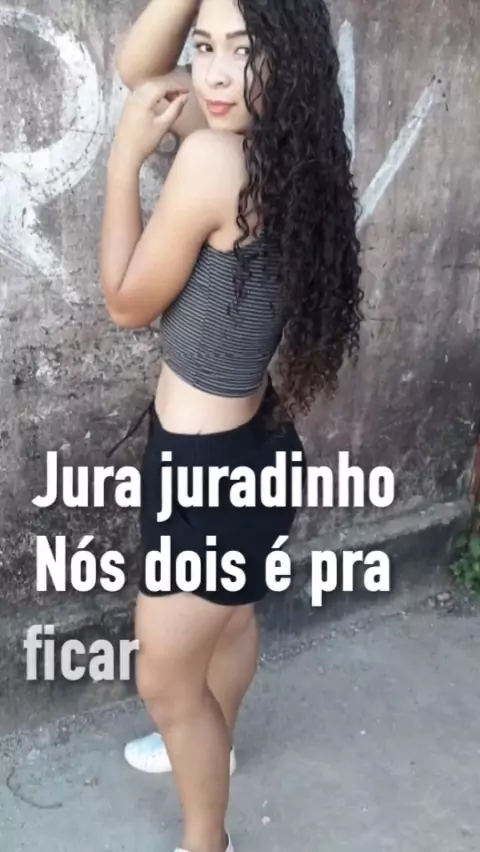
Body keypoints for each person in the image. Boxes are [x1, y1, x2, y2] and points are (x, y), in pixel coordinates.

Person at [100, 0, 363, 849]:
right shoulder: (293, 145)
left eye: (244, 51)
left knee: (167, 687)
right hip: (256, 448)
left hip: (204, 475)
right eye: (205, 45)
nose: (214, 73)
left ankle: (206, 838)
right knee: (233, 618)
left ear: (286, 57)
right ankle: (218, 747)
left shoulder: (216, 159)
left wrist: (123, 162)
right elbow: (143, 74)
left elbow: (126, 303)